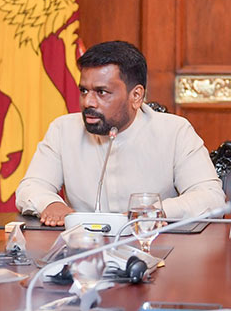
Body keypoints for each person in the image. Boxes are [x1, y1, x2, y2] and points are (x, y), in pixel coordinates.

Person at [15, 40, 225, 226]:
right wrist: (50, 203)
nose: (88, 102)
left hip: (155, 250)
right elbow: (31, 186)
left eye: (101, 92)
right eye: (84, 91)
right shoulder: (63, 130)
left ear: (136, 96)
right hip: (82, 253)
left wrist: (158, 212)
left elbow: (210, 197)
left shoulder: (175, 131)